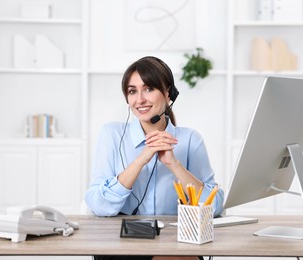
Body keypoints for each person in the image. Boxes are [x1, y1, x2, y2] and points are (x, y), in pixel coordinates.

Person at [84, 56, 224, 260]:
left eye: (148, 89)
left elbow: (215, 206)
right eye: (132, 91)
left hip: (176, 241)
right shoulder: (112, 134)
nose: (139, 100)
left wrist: (174, 165)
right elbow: (98, 204)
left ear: (168, 94)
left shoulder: (190, 140)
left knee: (178, 256)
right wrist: (141, 160)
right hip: (122, 243)